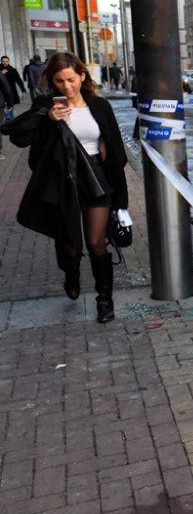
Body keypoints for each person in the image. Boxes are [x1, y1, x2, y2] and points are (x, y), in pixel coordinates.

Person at [13, 51, 129, 323]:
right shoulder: (46, 106)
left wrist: (107, 152)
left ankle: (104, 300)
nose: (67, 86)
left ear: (82, 75)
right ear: (52, 81)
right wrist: (49, 121)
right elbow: (24, 141)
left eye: (71, 79)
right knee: (70, 244)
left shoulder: (99, 106)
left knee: (95, 241)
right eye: (59, 81)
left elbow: (115, 144)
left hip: (96, 177)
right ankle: (72, 270)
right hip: (62, 180)